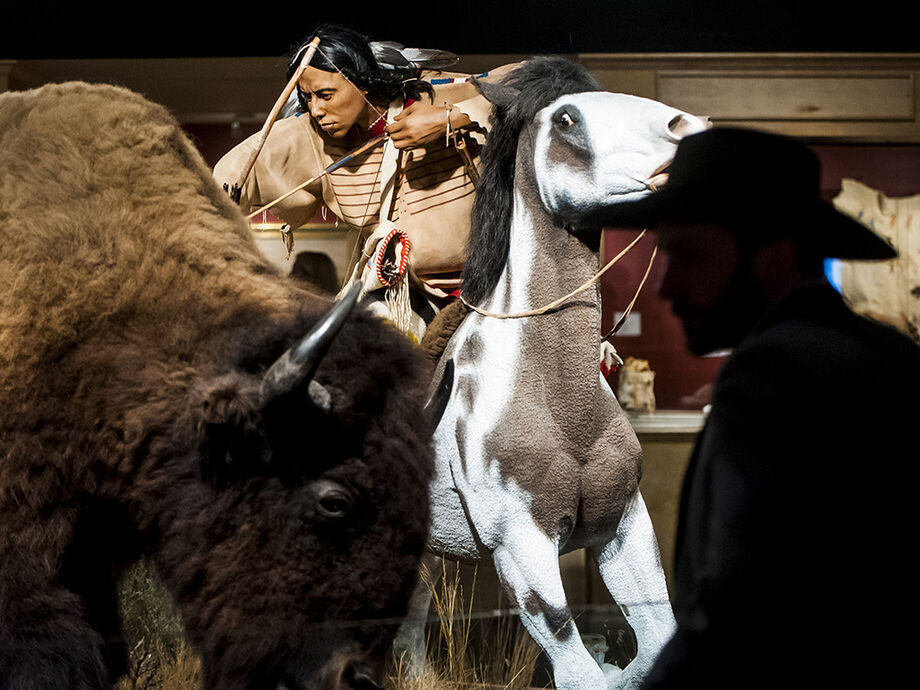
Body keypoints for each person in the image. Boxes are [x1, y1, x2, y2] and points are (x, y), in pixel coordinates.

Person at [597, 127, 920, 688]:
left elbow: (735, 615)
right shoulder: (890, 357)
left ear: (772, 256)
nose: (668, 287)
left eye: (691, 256)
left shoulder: (774, 374)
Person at [214, 24, 517, 339]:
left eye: (326, 95)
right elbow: (241, 168)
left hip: (492, 290)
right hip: (401, 300)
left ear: (362, 83)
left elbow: (535, 84)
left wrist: (452, 118)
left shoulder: (434, 96)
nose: (317, 109)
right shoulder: (313, 138)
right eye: (308, 97)